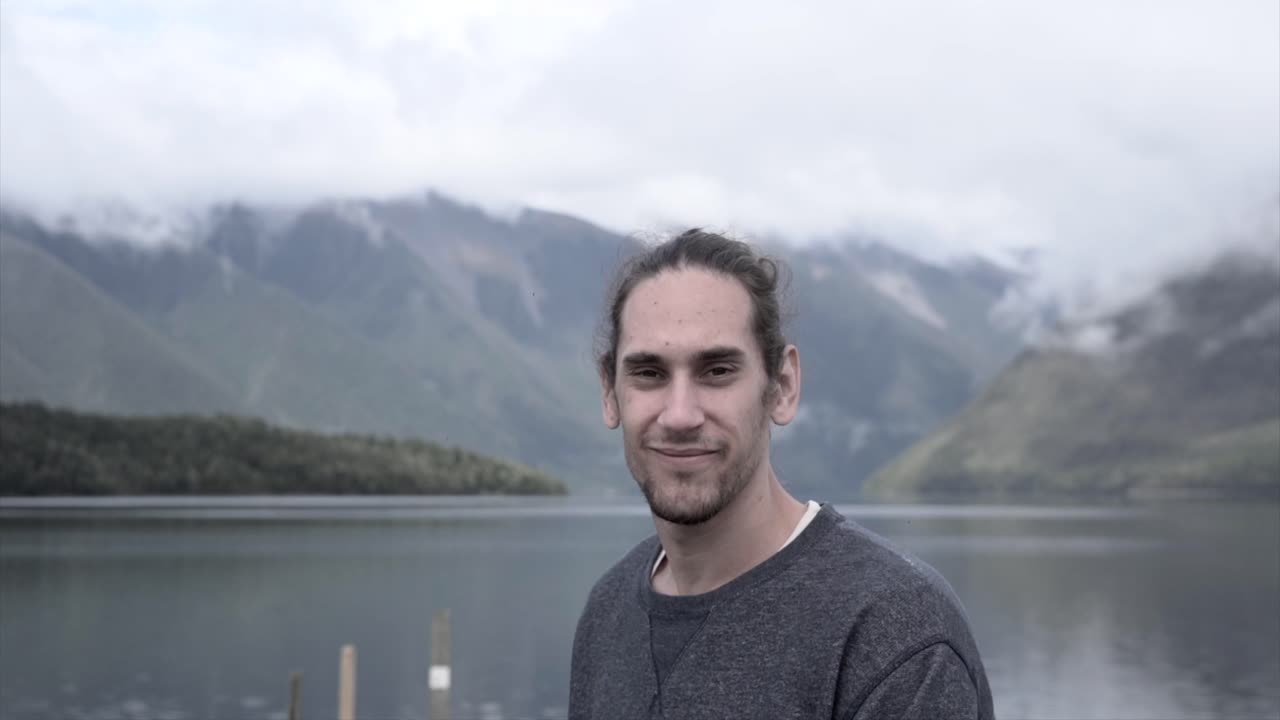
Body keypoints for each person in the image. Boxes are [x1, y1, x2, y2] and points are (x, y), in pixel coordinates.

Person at [568, 229, 995, 719]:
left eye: (717, 371)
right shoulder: (607, 611)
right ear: (609, 390)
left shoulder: (896, 633)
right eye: (648, 373)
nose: (680, 414)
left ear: (782, 386)